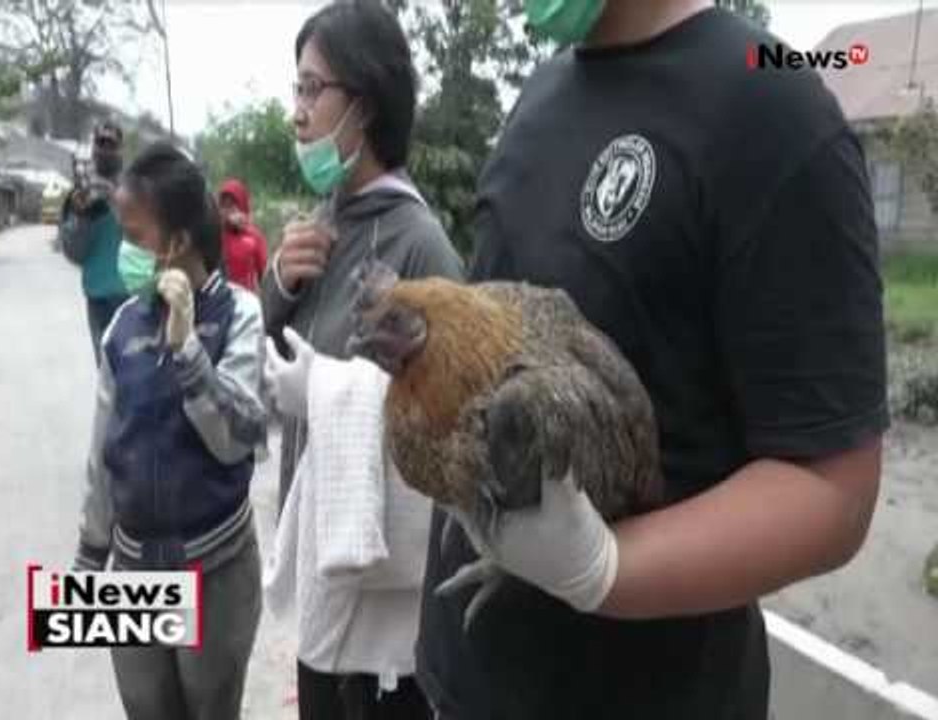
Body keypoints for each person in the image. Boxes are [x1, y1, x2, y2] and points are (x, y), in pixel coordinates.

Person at [415, 2, 888, 719]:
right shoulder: (538, 99)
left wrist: (604, 570)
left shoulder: (773, 105)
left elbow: (834, 491)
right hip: (467, 678)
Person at [260, 1, 463, 718]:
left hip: (388, 614)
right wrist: (280, 283)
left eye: (313, 90)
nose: (296, 112)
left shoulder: (420, 247)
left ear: (366, 106)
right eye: (297, 89)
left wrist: (324, 387)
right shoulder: (320, 227)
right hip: (327, 574)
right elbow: (263, 368)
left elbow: (451, 421)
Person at [73, 142, 266, 720]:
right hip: (133, 568)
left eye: (135, 236)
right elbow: (103, 449)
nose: (125, 252)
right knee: (147, 710)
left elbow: (237, 437)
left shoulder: (239, 314)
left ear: (178, 241)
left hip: (213, 568)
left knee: (211, 708)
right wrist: (90, 554)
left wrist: (188, 350)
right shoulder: (122, 328)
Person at [58, 120, 131, 365]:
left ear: (121, 149)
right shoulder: (80, 193)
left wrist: (114, 200)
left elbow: (148, 238)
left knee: (136, 373)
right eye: (101, 143)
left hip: (134, 295)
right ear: (93, 148)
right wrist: (82, 217)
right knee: (107, 373)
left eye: (112, 144)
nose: (106, 150)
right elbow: (73, 253)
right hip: (98, 297)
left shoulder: (136, 190)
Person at [219, 178, 268, 292]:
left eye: (232, 205)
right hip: (220, 299)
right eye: (224, 205)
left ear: (242, 206)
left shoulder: (253, 237)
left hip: (245, 299)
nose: (228, 210)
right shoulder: (216, 233)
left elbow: (264, 275)